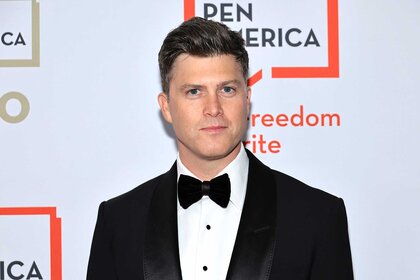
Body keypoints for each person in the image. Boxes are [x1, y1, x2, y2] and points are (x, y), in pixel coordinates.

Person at [87, 17, 353, 280]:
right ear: (166, 106)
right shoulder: (119, 221)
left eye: (227, 89)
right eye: (194, 92)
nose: (213, 108)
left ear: (247, 100)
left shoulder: (318, 217)